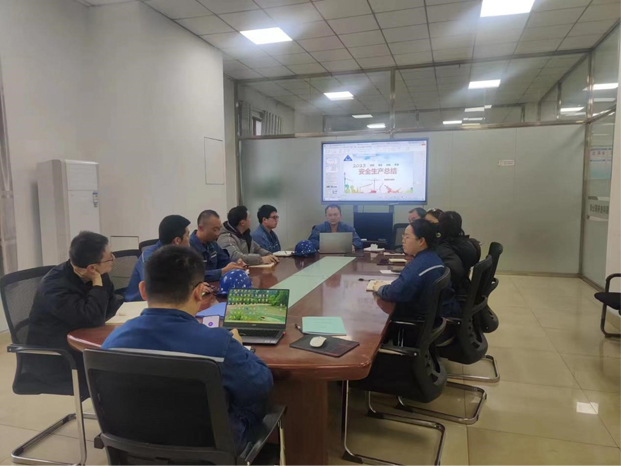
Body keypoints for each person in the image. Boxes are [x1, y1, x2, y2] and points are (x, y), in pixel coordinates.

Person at [102, 246, 272, 450]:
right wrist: (239, 347)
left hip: (134, 451)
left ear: (143, 290)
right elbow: (261, 386)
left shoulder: (112, 342)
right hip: (208, 454)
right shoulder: (219, 344)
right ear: (199, 292)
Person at [27, 231, 121, 392]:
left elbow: (112, 308)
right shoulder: (55, 287)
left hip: (82, 343)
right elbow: (93, 319)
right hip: (59, 358)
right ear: (92, 268)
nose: (113, 259)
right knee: (121, 373)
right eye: (109, 258)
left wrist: (99, 281)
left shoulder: (96, 273)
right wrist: (97, 283)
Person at [373, 219, 460, 319]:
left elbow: (395, 292)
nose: (403, 240)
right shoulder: (431, 257)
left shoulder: (419, 266)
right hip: (440, 315)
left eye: (407, 237)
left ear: (421, 241)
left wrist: (380, 288)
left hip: (421, 321)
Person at [125, 215, 191, 301]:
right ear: (177, 241)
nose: (189, 239)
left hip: (164, 302)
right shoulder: (150, 258)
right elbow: (155, 289)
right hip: (138, 304)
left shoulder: (177, 253)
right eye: (187, 235)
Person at [437, 211, 481, 303]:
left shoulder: (445, 247)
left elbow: (454, 271)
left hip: (454, 293)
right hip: (465, 285)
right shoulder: (466, 243)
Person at [190, 210, 245, 282]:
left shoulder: (212, 243)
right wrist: (222, 272)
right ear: (201, 228)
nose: (217, 233)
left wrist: (236, 264)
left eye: (219, 229)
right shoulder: (189, 247)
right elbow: (194, 275)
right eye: (215, 230)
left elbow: (224, 261)